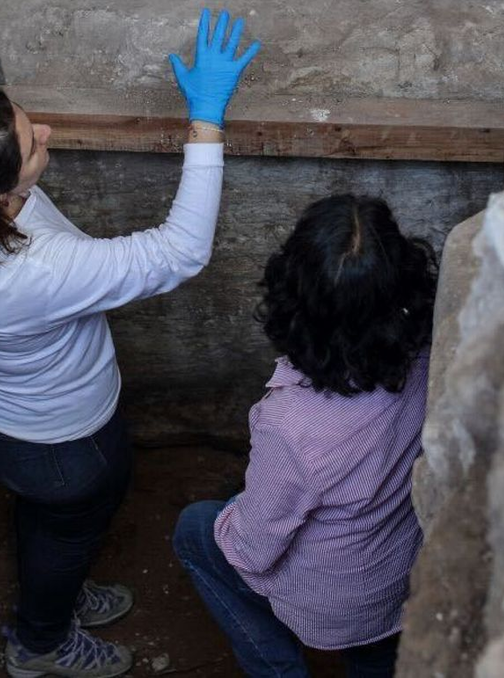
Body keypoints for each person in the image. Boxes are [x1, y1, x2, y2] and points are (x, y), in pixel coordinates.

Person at [0, 0, 260, 678]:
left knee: (51, 519)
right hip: (58, 438)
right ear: (2, 195)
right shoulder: (32, 272)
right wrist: (205, 123)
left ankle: (54, 581)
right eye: (32, 145)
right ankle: (41, 639)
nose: (47, 134)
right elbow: (180, 251)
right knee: (76, 511)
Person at [173, 194, 437, 678]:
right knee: (377, 657)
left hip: (333, 602)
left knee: (196, 528)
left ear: (294, 293)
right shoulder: (431, 348)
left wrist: (238, 512)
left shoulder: (290, 422)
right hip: (404, 570)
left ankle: (278, 669)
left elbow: (252, 550)